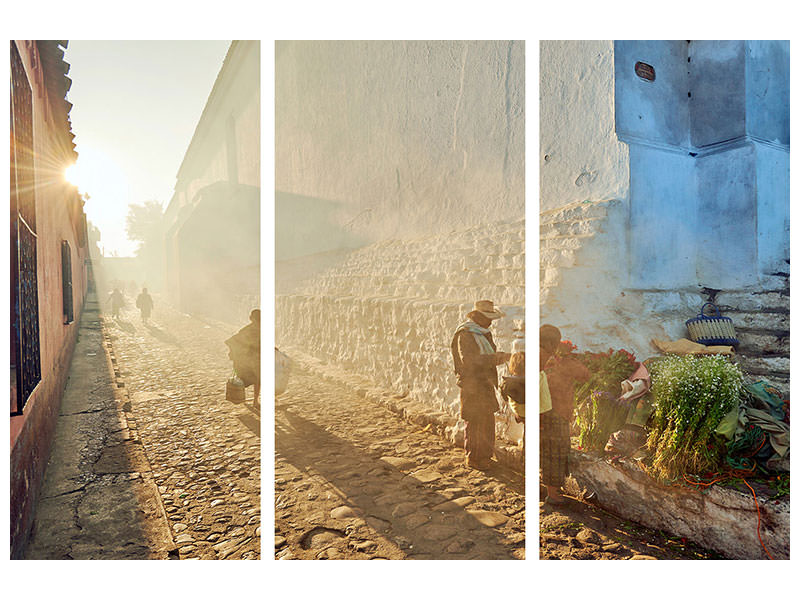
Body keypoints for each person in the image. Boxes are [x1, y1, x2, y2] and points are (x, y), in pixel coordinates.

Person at [451, 300, 511, 470]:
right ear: (478, 317)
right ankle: (474, 458)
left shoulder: (483, 333)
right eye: (488, 318)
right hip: (471, 385)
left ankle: (484, 455)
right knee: (475, 421)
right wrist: (497, 358)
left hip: (484, 383)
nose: (491, 322)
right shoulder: (465, 335)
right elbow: (469, 361)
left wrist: (499, 358)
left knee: (486, 421)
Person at [539, 324, 590, 505]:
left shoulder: (533, 356)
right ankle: (552, 494)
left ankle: (542, 486)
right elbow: (585, 374)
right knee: (555, 453)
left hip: (538, 413)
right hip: (556, 413)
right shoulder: (560, 361)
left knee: (543, 451)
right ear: (553, 343)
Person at [225, 309, 261, 409]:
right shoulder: (260, 329)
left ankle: (251, 399)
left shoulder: (246, 330)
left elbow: (232, 341)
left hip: (249, 359)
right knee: (257, 380)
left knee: (253, 379)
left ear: (251, 318)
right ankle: (255, 401)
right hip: (253, 359)